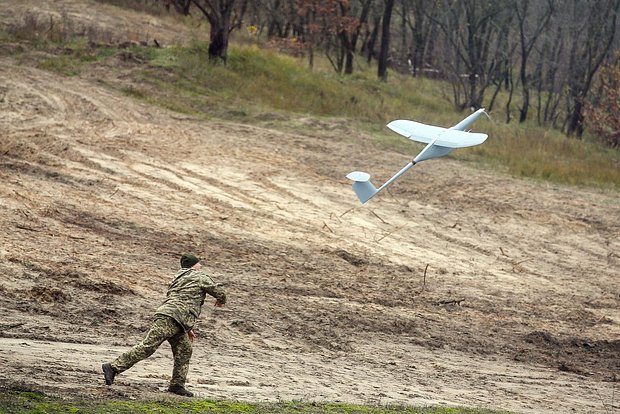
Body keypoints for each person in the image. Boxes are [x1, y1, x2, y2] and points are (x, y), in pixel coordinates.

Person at [102, 253, 227, 397]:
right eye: (199, 263)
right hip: (170, 318)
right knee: (148, 347)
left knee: (185, 350)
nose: (201, 266)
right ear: (193, 265)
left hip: (177, 320)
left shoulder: (178, 277)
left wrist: (188, 328)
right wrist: (221, 300)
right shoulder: (198, 276)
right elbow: (219, 291)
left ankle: (177, 385)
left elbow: (183, 299)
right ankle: (112, 367)